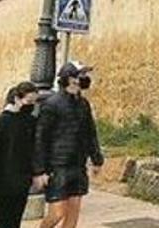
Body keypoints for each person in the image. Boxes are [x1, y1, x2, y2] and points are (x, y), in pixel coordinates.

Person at [33, 62, 103, 228]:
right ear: (67, 79)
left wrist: (96, 159)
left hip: (77, 164)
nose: (81, 80)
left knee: (73, 213)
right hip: (58, 166)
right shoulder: (51, 104)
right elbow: (41, 138)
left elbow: (90, 133)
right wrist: (39, 171)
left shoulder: (83, 104)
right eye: (78, 76)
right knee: (58, 213)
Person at [0, 81, 40, 228]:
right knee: (1, 223)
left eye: (34, 102)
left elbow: (34, 150)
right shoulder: (1, 122)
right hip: (2, 184)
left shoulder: (30, 122)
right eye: (28, 101)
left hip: (21, 182)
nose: (31, 105)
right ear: (17, 99)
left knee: (15, 222)